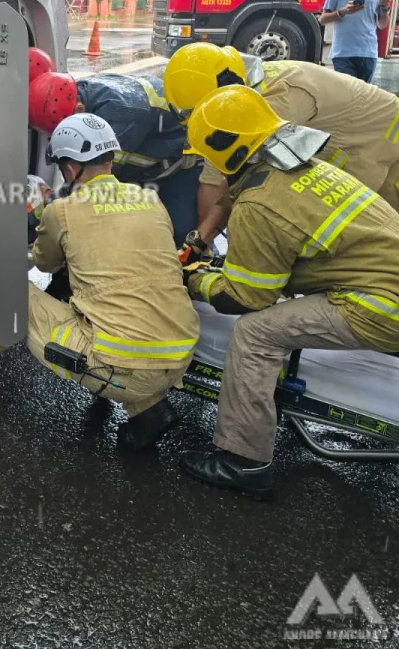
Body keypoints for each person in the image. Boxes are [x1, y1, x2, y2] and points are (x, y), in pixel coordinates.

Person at [0, 113, 201, 449]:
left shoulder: (64, 211)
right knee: (126, 306)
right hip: (180, 356)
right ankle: (148, 411)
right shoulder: (151, 200)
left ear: (71, 168)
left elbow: (44, 261)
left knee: (9, 289)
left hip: (119, 366)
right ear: (109, 157)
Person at [179, 85, 399, 499]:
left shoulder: (260, 204)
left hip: (379, 306)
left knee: (255, 334)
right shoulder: (304, 166)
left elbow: (244, 298)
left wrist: (194, 277)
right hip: (384, 283)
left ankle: (243, 460)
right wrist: (204, 244)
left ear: (224, 149)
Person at [162, 41, 399, 259]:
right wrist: (200, 244)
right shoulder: (235, 97)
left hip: (387, 148)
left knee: (384, 237)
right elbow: (213, 180)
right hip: (355, 151)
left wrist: (204, 246)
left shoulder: (278, 98)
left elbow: (242, 191)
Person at [29, 67, 201, 245]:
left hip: (179, 169)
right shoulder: (77, 94)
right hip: (145, 164)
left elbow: (90, 184)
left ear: (79, 110)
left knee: (176, 236)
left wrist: (34, 217)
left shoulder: (120, 118)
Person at [319, 0, 392, 83]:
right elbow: (323, 19)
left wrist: (385, 8)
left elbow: (382, 24)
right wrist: (343, 12)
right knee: (348, 97)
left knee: (363, 99)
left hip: (368, 52)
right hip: (343, 53)